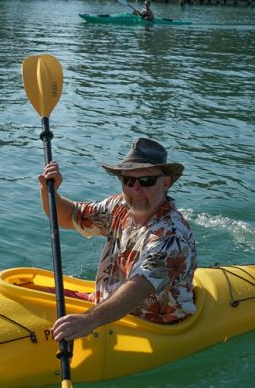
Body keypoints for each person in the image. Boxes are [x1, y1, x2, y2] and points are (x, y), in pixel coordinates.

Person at [38, 138, 198, 342]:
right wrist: (49, 190)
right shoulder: (119, 206)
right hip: (108, 307)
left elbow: (138, 289)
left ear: (165, 183)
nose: (136, 190)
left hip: (153, 323)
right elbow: (67, 216)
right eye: (129, 181)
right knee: (24, 287)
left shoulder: (171, 237)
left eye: (147, 180)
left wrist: (88, 320)